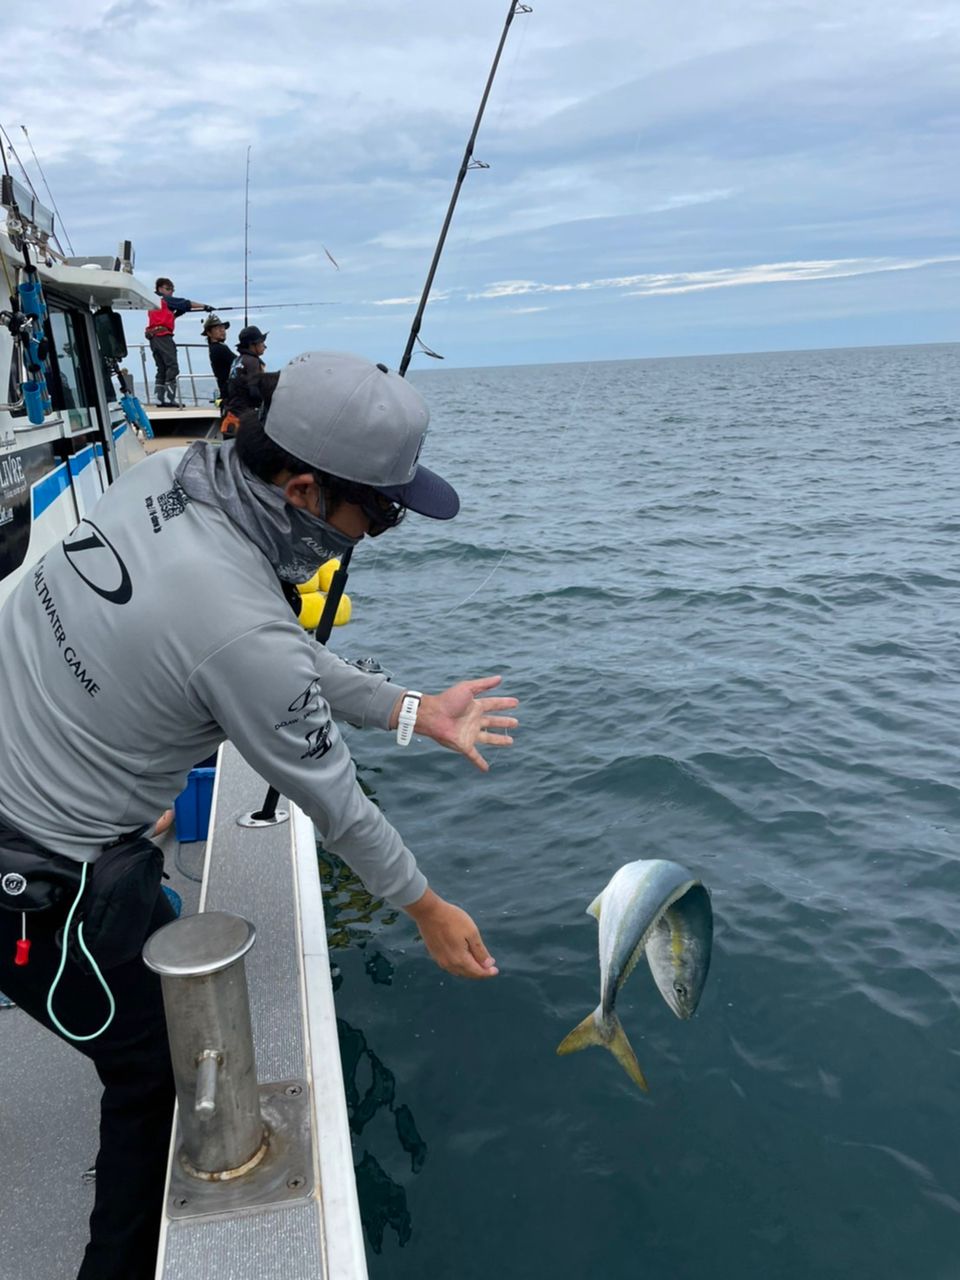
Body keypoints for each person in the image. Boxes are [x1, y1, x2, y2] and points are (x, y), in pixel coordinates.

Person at [0, 350, 519, 1280]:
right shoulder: (237, 621)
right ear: (308, 491)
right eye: (383, 514)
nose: (381, 531)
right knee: (157, 1078)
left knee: (177, 1012)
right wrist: (429, 909)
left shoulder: (170, 478)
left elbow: (263, 647)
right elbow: (335, 798)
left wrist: (410, 708)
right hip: (38, 888)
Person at [145, 277, 214, 407]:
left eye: (172, 290)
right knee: (172, 366)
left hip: (153, 337)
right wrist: (205, 306)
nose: (171, 292)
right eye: (168, 289)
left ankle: (159, 398)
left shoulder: (153, 301)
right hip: (163, 336)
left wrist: (175, 314)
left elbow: (171, 312)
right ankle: (170, 398)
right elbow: (185, 303)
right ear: (160, 289)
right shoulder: (165, 299)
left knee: (162, 367)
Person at [220, 324, 268, 436]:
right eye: (261, 342)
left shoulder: (237, 361)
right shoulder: (253, 362)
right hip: (245, 418)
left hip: (231, 415)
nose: (264, 346)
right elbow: (255, 393)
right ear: (252, 345)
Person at [201, 312, 233, 400]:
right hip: (230, 395)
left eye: (223, 328)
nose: (222, 330)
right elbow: (238, 362)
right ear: (209, 333)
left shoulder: (216, 347)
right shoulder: (219, 348)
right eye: (218, 328)